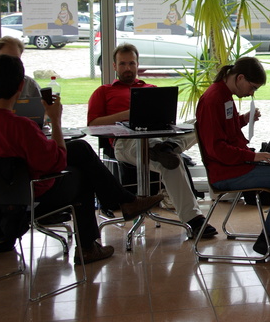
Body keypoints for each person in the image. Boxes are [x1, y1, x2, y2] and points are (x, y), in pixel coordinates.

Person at [0, 55, 163, 264]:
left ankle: (125, 203)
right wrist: (55, 120)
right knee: (82, 174)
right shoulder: (22, 127)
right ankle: (91, 243)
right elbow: (56, 162)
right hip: (26, 199)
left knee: (80, 148)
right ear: (20, 86)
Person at [87, 43, 217, 238]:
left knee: (201, 122)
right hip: (125, 143)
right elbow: (93, 124)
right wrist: (127, 115)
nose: (128, 68)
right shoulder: (104, 92)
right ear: (114, 66)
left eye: (131, 63)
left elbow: (166, 118)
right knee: (171, 160)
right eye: (122, 64)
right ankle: (194, 220)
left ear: (138, 64)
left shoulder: (151, 89)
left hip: (158, 135)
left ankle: (169, 146)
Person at [196, 57, 270, 261]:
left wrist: (243, 120)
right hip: (227, 172)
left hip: (239, 164)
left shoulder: (225, 96)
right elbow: (216, 149)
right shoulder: (213, 99)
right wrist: (254, 156)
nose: (252, 93)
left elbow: (225, 131)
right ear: (240, 78)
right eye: (253, 87)